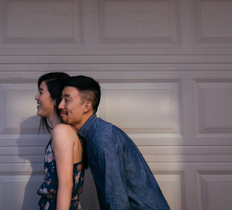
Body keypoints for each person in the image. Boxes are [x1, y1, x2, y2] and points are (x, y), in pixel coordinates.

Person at [58, 75, 170, 210]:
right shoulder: (92, 134)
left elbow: (116, 196)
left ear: (87, 106)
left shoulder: (103, 138)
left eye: (67, 100)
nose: (60, 105)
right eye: (60, 99)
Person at [35, 72, 85, 210]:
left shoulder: (62, 131)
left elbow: (66, 184)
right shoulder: (61, 131)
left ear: (55, 98)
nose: (36, 97)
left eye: (41, 92)